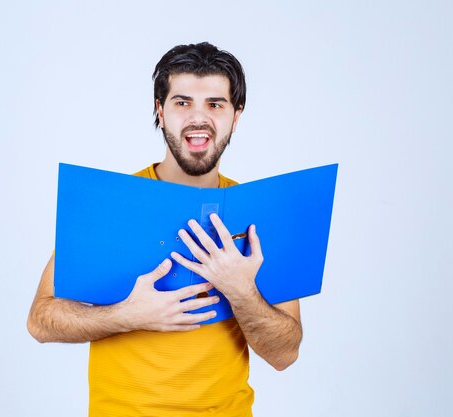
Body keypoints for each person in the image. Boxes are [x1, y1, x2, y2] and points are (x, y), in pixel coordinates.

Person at [27, 42, 302, 417]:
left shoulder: (261, 213)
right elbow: (41, 320)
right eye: (183, 102)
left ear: (236, 115)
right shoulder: (110, 204)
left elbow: (285, 353)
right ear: (160, 110)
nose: (198, 118)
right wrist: (125, 315)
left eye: (215, 104)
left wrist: (241, 292)